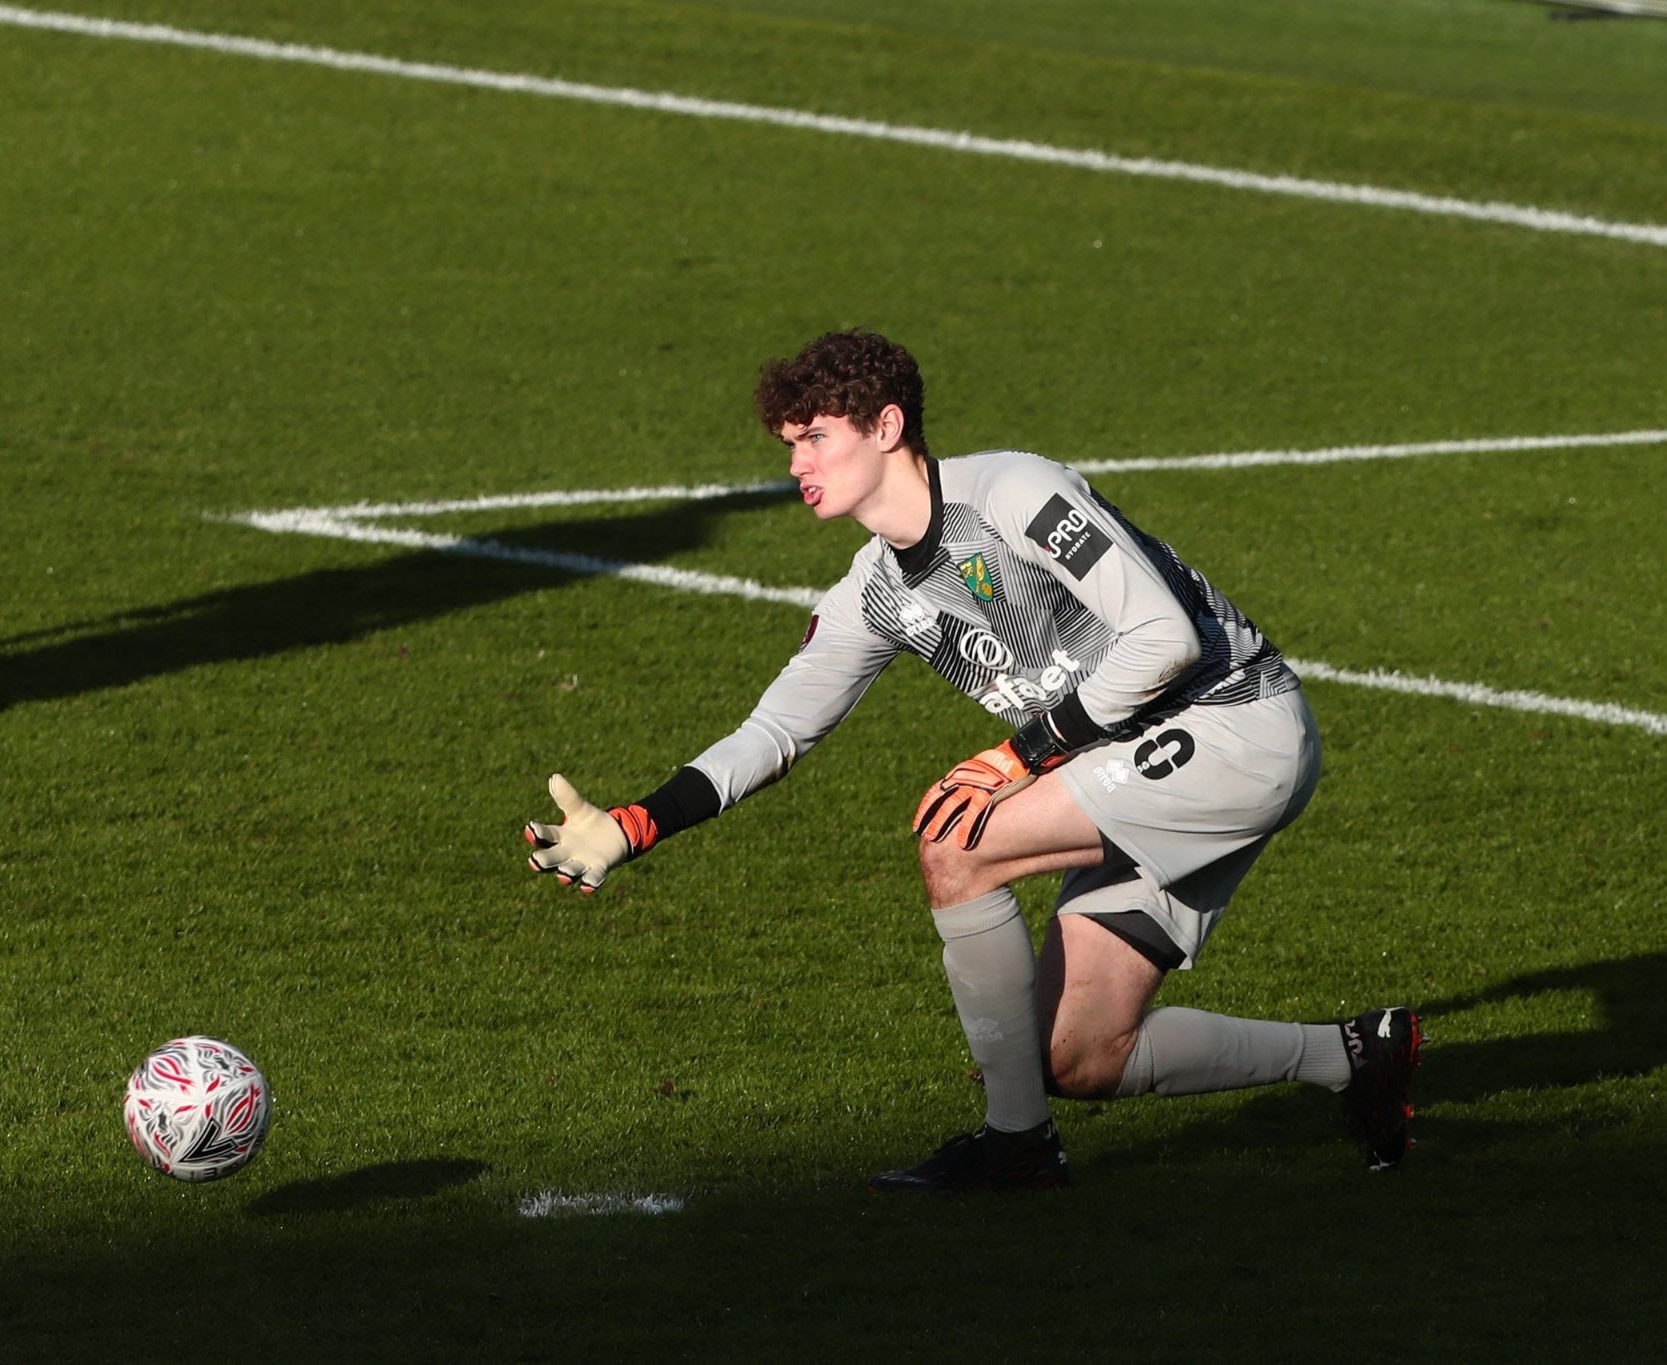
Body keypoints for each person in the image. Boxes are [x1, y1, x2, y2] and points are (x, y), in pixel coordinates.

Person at [523, 330, 1420, 1191]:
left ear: (886, 427)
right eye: (790, 443)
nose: (797, 463)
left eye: (817, 438)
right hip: (1133, 767)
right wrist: (638, 823)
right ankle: (1352, 1055)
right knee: (1079, 1055)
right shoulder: (872, 591)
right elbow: (775, 732)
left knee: (958, 841)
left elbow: (1167, 638)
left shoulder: (1013, 493)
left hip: (1236, 724)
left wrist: (1020, 752)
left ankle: (1016, 1146)